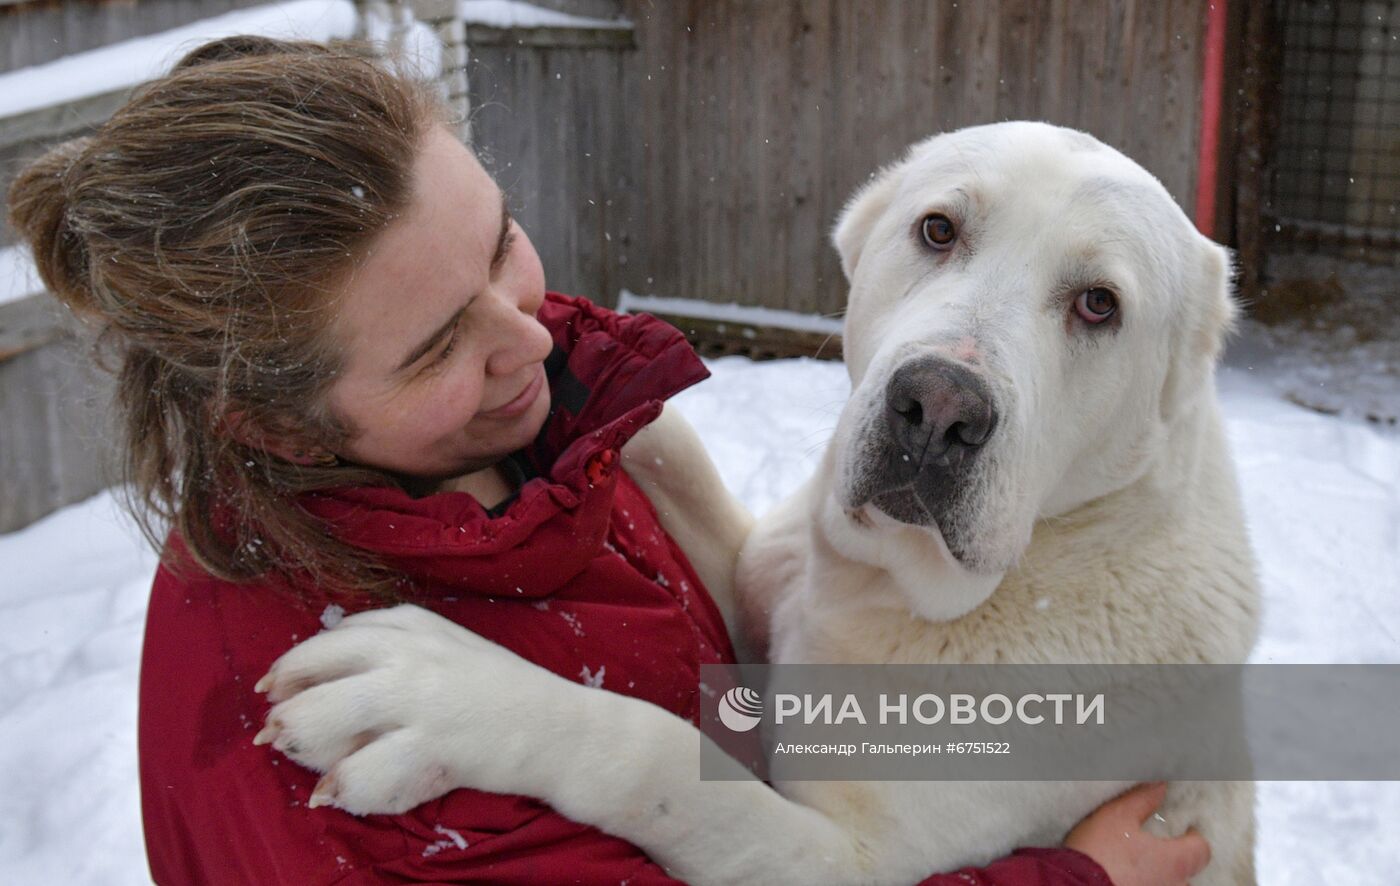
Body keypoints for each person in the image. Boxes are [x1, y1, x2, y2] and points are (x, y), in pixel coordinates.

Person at [7, 36, 1210, 886]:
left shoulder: (545, 415)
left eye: (500, 241)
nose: (532, 334)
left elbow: (739, 704)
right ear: (268, 424)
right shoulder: (347, 760)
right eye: (437, 345)